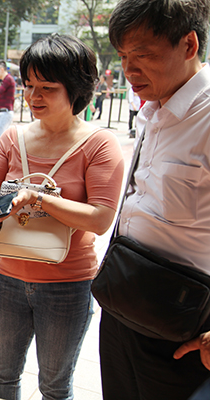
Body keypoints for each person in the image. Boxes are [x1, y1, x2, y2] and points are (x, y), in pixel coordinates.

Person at [0, 34, 124, 400]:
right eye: (30, 86)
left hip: (68, 284)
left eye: (47, 87)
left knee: (54, 386)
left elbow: (100, 219)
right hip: (10, 278)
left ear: (75, 89)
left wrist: (40, 199)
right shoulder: (13, 138)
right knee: (0, 377)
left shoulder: (99, 144)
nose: (34, 97)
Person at [100, 1, 210, 399]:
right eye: (124, 56)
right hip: (121, 307)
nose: (129, 69)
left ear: (189, 44)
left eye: (142, 55)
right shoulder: (152, 111)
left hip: (181, 331)